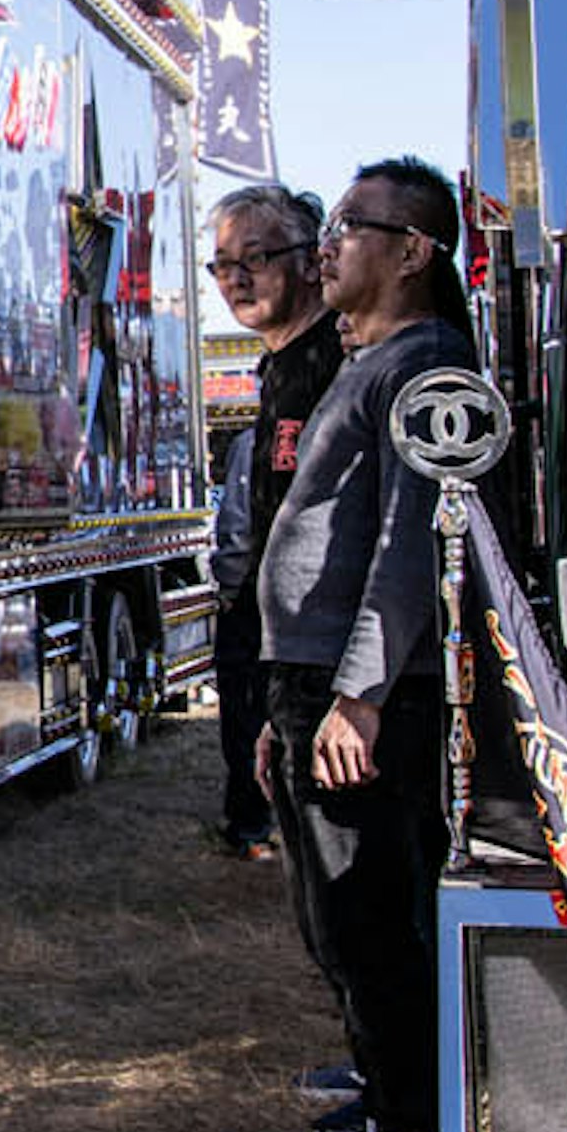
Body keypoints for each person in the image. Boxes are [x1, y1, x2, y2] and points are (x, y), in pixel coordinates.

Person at [258, 157, 478, 1132]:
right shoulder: (373, 360)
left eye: (353, 225)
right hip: (317, 687)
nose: (328, 243)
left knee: (382, 919)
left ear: (414, 251)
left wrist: (358, 695)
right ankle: (390, 1126)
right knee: (340, 919)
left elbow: (411, 552)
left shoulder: (430, 365)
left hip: (371, 696)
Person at [204, 184, 338, 861]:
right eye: (222, 264)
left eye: (255, 257)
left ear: (313, 260)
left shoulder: (339, 367)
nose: (236, 278)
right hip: (275, 650)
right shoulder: (278, 368)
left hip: (329, 664)